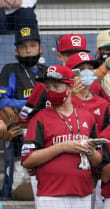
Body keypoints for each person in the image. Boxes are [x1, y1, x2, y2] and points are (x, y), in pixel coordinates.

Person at [20, 65, 101, 209]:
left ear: (70, 88)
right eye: (48, 87)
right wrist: (62, 147)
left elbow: (98, 161)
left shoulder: (87, 117)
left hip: (82, 193)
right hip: (51, 195)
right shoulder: (40, 118)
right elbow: (27, 159)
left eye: (56, 87)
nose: (51, 91)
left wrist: (90, 151)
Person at [0, 26, 46, 199]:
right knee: (15, 177)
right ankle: (8, 197)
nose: (28, 50)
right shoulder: (10, 69)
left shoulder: (46, 72)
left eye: (32, 45)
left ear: (40, 48)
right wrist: (31, 102)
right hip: (19, 129)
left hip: (43, 130)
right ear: (16, 50)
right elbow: (2, 100)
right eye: (23, 46)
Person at [66, 52, 110, 133]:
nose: (86, 72)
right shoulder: (64, 102)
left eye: (90, 68)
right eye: (81, 68)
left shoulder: (102, 104)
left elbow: (107, 132)